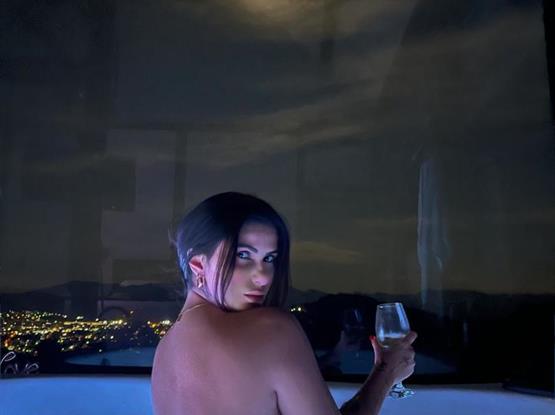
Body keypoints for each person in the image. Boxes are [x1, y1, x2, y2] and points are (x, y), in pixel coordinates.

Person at [151, 191, 416, 415]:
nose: (264, 276)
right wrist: (386, 372)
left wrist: (333, 357)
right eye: (244, 255)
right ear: (198, 264)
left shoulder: (166, 351)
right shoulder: (270, 329)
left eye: (269, 259)